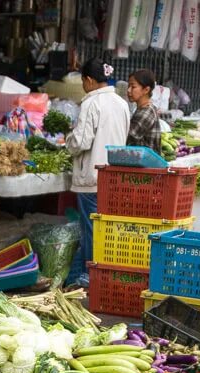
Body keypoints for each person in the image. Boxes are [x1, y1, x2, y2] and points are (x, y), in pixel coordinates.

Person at [65, 57, 130, 288]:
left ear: (90, 80)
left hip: (91, 177)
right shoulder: (121, 103)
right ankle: (99, 273)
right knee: (105, 229)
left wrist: (67, 143)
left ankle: (89, 275)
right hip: (113, 177)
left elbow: (81, 141)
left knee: (91, 228)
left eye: (83, 81)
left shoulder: (91, 103)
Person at [126, 69, 162, 154]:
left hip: (147, 165)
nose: (128, 90)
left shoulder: (146, 112)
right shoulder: (143, 108)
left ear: (146, 90)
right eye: (128, 86)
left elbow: (128, 136)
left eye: (133, 87)